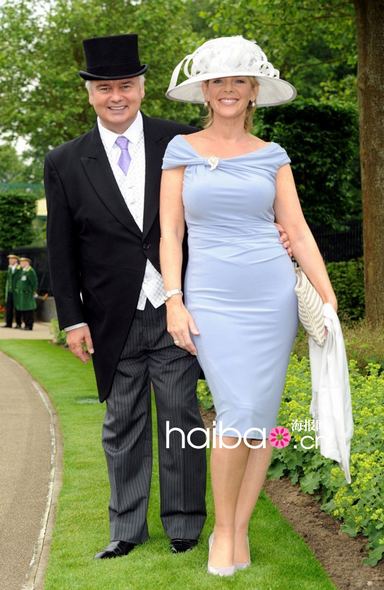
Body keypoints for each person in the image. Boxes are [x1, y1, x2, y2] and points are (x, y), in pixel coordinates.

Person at [159, 36, 338, 576]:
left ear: (254, 91)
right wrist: (174, 300)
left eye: (239, 80)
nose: (228, 89)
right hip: (211, 298)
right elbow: (170, 232)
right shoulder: (182, 150)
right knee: (235, 416)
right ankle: (221, 532)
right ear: (205, 92)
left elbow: (298, 232)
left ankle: (238, 529)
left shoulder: (273, 156)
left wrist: (326, 300)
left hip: (271, 296)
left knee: (258, 420)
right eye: (218, 81)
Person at [44, 34, 208, 560]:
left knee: (182, 415)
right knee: (122, 425)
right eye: (105, 87)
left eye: (127, 85)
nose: (117, 96)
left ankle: (183, 523)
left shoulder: (181, 140)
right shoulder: (65, 161)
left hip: (177, 309)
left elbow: (211, 216)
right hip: (112, 316)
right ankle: (126, 529)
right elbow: (61, 249)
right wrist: (72, 321)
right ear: (90, 93)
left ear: (141, 89)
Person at [14, 257, 38, 330]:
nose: (20, 263)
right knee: (24, 310)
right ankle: (25, 325)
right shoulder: (22, 270)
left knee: (29, 310)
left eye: (22, 262)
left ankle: (29, 325)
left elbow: (34, 282)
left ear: (27, 263)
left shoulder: (30, 271)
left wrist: (34, 291)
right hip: (22, 295)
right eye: (20, 262)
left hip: (28, 294)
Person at [2, 254, 22, 329]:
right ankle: (8, 323)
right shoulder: (10, 268)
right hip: (10, 291)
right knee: (9, 308)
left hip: (17, 292)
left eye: (11, 259)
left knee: (17, 308)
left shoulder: (19, 268)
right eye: (9, 259)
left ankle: (18, 323)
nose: (9, 261)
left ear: (16, 260)